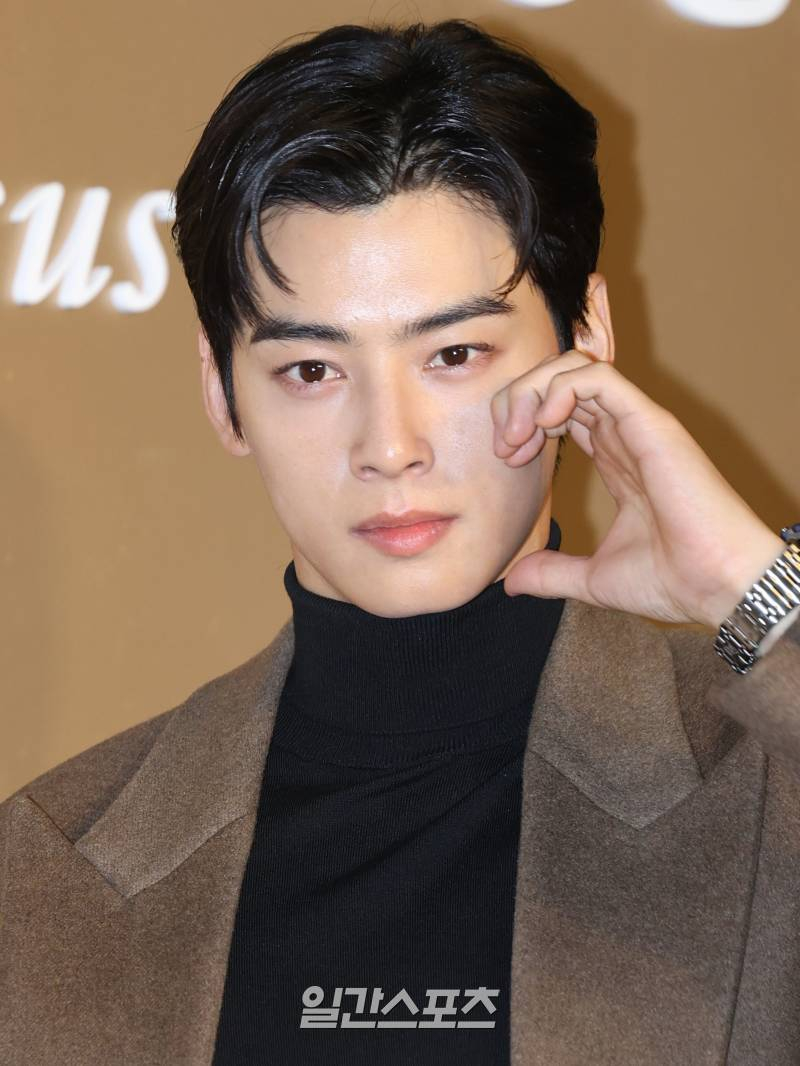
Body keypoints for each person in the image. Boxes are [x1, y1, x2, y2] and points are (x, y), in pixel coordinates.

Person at [1, 18, 798, 1066]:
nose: (389, 446)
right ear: (222, 393)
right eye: (311, 371)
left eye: (454, 354)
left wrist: (753, 591)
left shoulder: (766, 780)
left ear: (586, 338)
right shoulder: (47, 867)